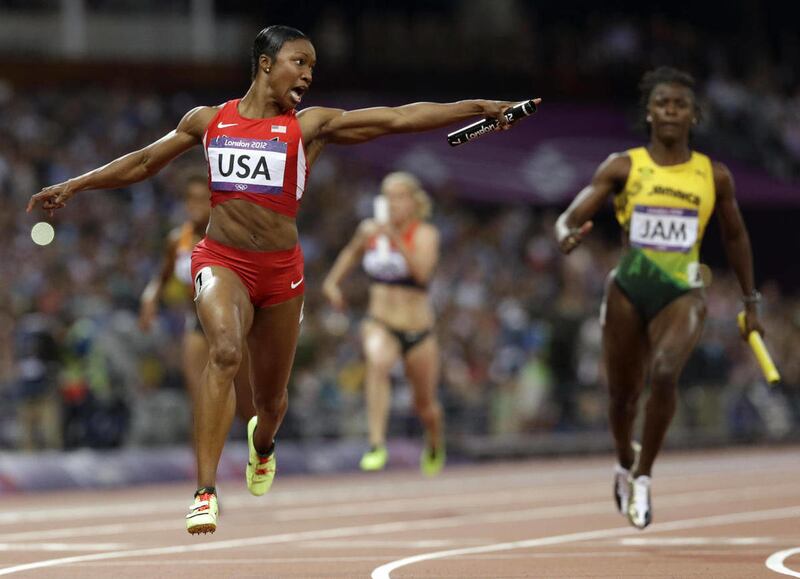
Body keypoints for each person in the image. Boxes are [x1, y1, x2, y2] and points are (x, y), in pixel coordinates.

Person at [28, 25, 540, 535]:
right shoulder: (208, 120)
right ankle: (204, 491)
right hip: (221, 260)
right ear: (266, 64)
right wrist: (76, 185)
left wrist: (479, 106)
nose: (308, 75)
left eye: (313, 67)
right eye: (299, 62)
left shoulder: (308, 127)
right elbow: (142, 161)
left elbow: (398, 118)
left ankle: (263, 444)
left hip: (281, 273)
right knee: (225, 352)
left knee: (270, 404)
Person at [555, 66, 764, 530]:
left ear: (694, 114)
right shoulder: (624, 165)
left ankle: (645, 475)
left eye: (680, 105)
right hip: (629, 286)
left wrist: (750, 302)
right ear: (648, 113)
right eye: (662, 104)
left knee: (666, 373)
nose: (670, 111)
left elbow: (736, 237)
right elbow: (569, 217)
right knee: (623, 396)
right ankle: (621, 461)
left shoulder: (714, 175)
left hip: (682, 290)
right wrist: (566, 234)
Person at [322, 172, 444, 476]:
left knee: (424, 404)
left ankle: (434, 440)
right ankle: (376, 442)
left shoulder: (425, 234)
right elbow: (350, 253)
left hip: (418, 329)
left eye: (400, 196)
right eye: (387, 196)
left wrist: (395, 239)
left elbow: (422, 274)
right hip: (380, 322)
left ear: (414, 202)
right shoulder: (369, 230)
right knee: (377, 363)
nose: (393, 203)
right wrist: (332, 284)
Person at [138, 172, 256, 426]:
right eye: (190, 199)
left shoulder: (232, 237)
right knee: (200, 402)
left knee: (246, 405)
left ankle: (261, 456)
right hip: (198, 325)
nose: (195, 205)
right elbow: (161, 278)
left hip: (235, 326)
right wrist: (150, 298)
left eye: (203, 199)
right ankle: (204, 466)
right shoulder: (178, 240)